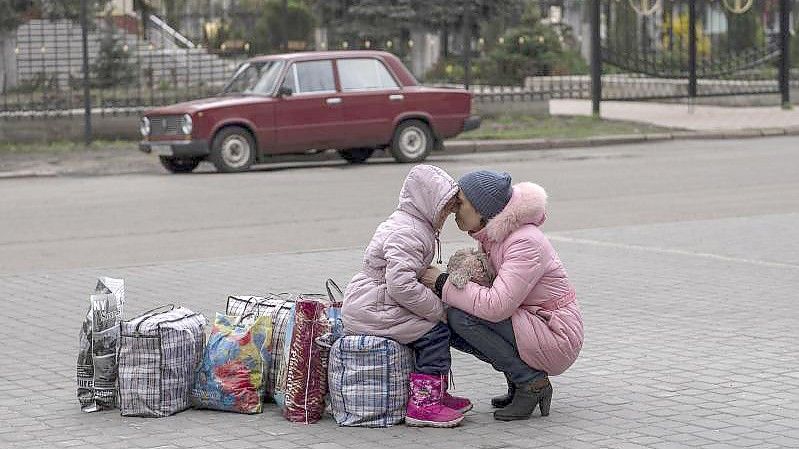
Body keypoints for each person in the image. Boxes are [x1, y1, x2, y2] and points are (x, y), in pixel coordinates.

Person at [422, 170, 584, 421]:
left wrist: (442, 283)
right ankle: (519, 378)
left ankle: (531, 383)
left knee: (460, 317)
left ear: (482, 209)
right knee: (449, 321)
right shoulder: (495, 237)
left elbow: (497, 306)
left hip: (556, 333)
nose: (455, 209)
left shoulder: (524, 242)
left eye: (461, 202)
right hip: (534, 322)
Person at [341, 164, 471, 428]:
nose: (447, 214)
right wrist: (438, 309)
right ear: (428, 203)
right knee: (435, 333)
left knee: (430, 331)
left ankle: (435, 393)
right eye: (444, 207)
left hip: (376, 301)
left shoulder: (411, 223)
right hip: (375, 306)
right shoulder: (409, 232)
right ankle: (424, 405)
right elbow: (401, 285)